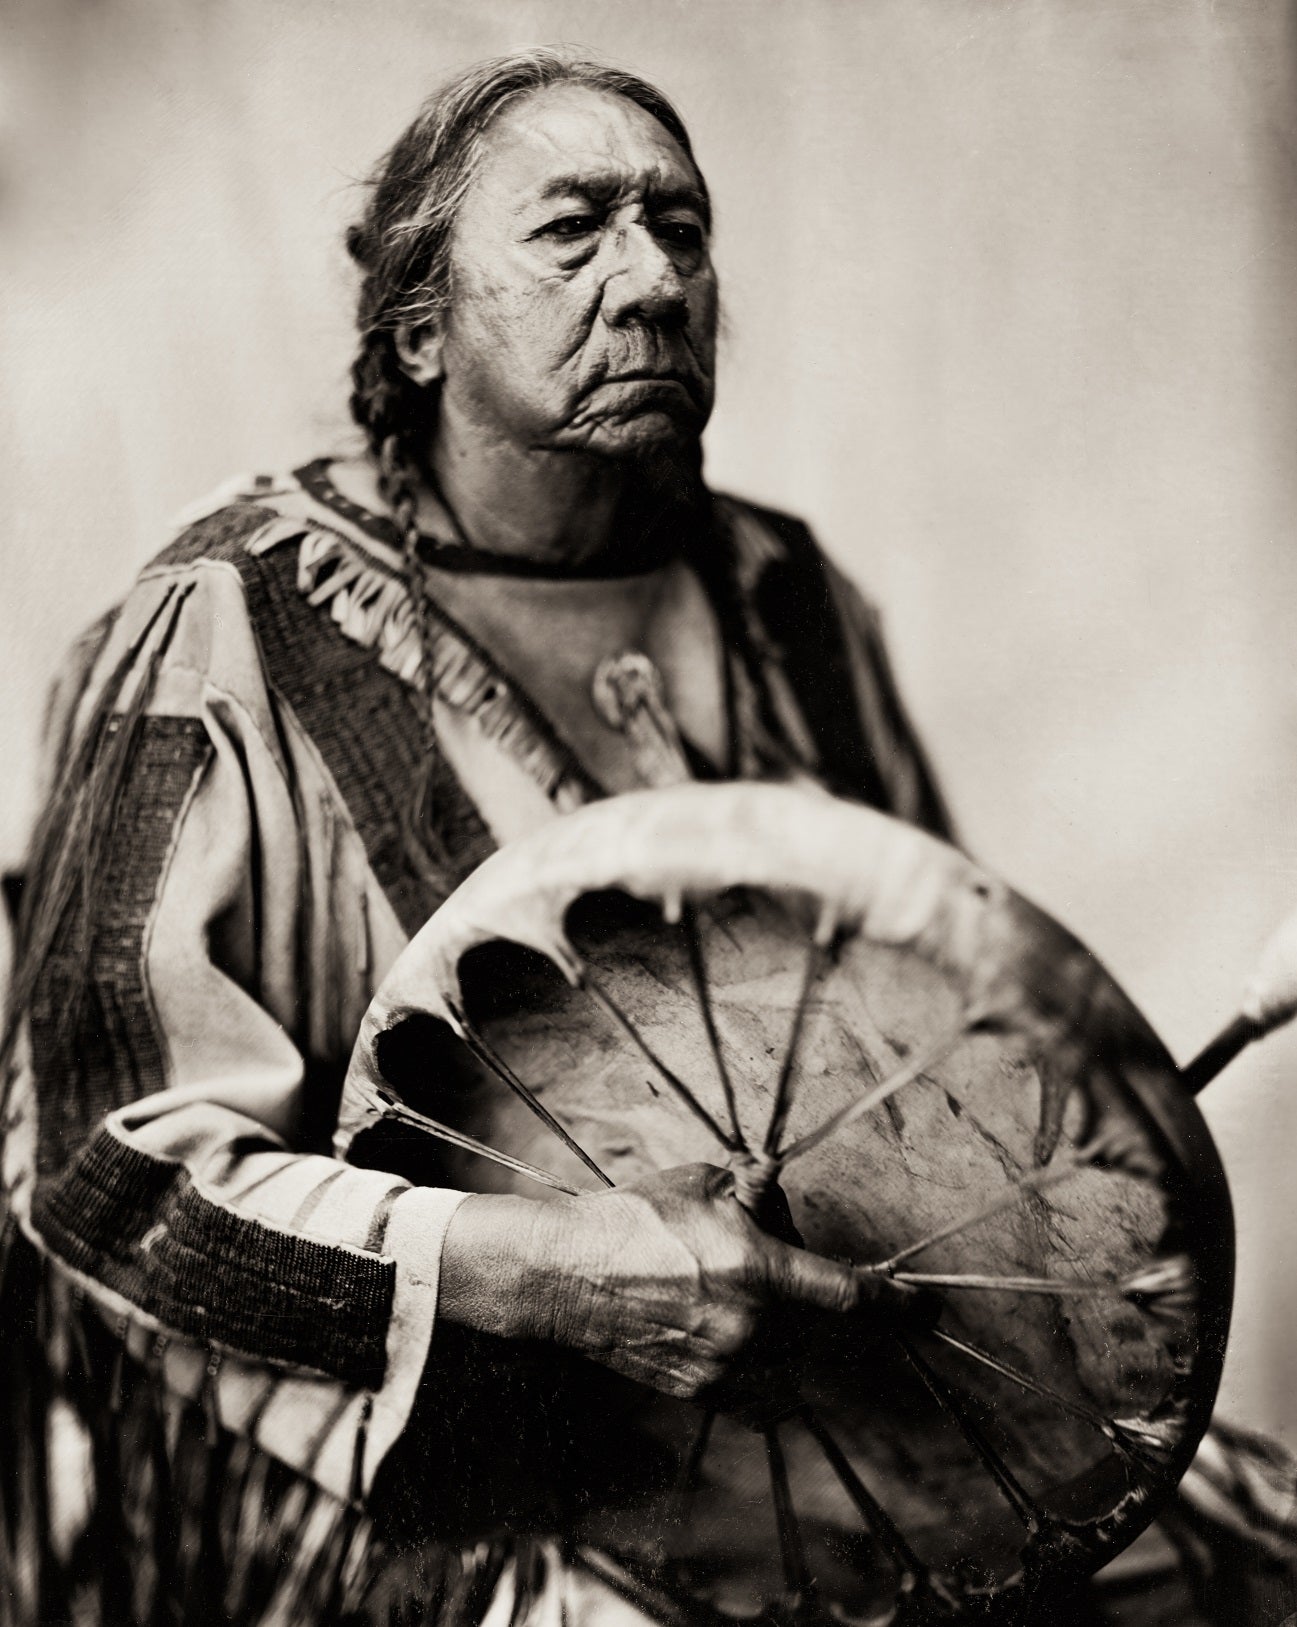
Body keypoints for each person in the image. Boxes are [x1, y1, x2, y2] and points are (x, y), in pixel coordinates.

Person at [0, 47, 1291, 1627]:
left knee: (1248, 1555)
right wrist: (546, 1277)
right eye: (576, 229)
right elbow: (100, 1177)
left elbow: (945, 1055)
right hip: (392, 1480)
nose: (654, 281)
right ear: (418, 328)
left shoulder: (786, 601)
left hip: (807, 1437)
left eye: (680, 228)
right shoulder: (224, 627)